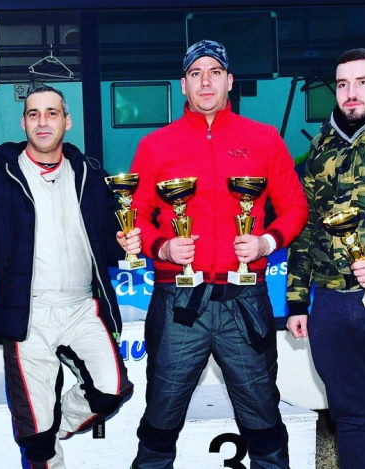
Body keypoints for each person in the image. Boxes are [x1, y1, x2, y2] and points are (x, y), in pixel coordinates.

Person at [128, 40, 308, 468]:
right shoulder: (155, 145)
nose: (205, 82)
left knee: (262, 418)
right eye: (196, 73)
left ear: (229, 81)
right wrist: (163, 246)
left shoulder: (263, 138)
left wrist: (266, 243)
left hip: (243, 298)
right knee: (160, 420)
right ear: (184, 85)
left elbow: (295, 208)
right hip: (178, 302)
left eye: (214, 72)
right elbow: (134, 215)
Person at [0, 85, 134, 469]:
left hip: (83, 307)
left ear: (67, 121)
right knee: (36, 435)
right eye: (33, 114)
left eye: (52, 113)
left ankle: (53, 426)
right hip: (27, 312)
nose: (43, 121)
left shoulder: (90, 174)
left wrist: (124, 242)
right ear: (23, 123)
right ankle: (41, 435)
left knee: (112, 389)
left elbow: (108, 244)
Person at [286, 48, 365, 469]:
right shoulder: (321, 145)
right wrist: (298, 301)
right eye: (342, 84)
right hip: (332, 302)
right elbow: (306, 227)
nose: (351, 92)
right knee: (348, 417)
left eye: (362, 82)